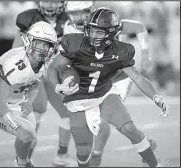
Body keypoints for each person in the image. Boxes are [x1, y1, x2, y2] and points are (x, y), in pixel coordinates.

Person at [48, 8, 169, 167]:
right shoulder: (74, 39)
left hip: (106, 88)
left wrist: (156, 97)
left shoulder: (119, 48)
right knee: (83, 147)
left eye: (98, 32)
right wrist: (59, 86)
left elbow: (138, 77)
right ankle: (92, 155)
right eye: (90, 30)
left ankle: (152, 164)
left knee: (126, 127)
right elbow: (54, 68)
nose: (92, 35)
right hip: (79, 95)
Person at [12, 1, 77, 167]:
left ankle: (61, 155)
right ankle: (24, 159)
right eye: (47, 0)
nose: (50, 5)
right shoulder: (29, 18)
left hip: (53, 71)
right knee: (38, 110)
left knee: (69, 112)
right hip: (34, 71)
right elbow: (16, 49)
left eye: (54, 1)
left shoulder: (69, 18)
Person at [0, 21, 58, 167]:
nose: (42, 48)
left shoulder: (43, 64)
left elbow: (35, 86)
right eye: (39, 43)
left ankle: (21, 161)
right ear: (29, 40)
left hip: (17, 103)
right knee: (26, 136)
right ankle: (22, 163)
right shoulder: (15, 64)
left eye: (46, 45)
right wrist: (15, 126)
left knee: (32, 141)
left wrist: (29, 102)